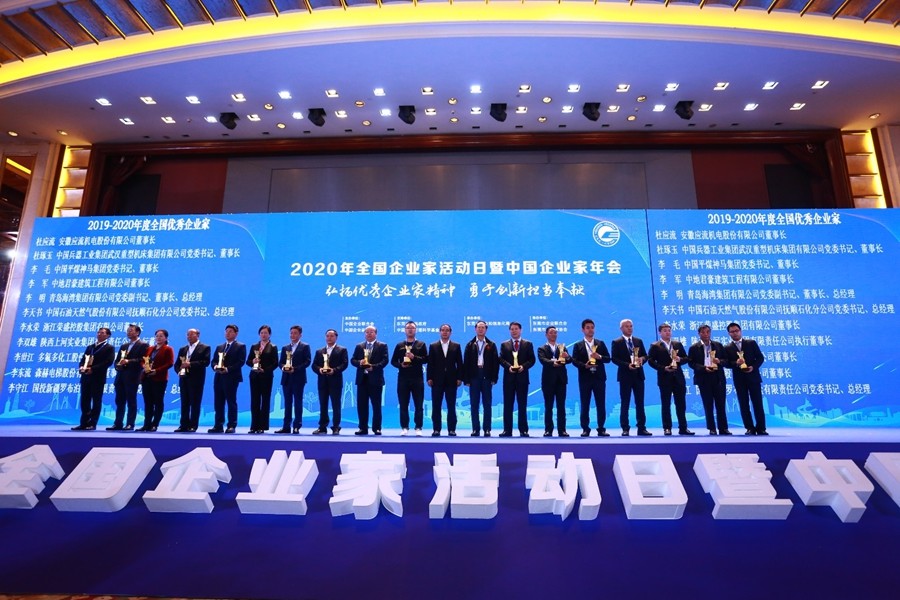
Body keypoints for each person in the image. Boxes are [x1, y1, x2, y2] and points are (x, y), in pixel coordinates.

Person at [648, 323, 694, 436]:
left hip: (678, 378)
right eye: (665, 330)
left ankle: (683, 427)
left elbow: (686, 358)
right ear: (660, 332)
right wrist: (663, 368)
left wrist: (679, 359)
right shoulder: (655, 346)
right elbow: (651, 361)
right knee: (666, 404)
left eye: (669, 330)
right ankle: (667, 428)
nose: (667, 332)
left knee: (681, 404)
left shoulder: (677, 344)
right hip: (664, 377)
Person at [725, 322, 767, 436]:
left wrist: (753, 367)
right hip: (739, 380)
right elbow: (726, 363)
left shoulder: (751, 343)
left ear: (741, 331)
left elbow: (760, 358)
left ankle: (761, 428)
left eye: (736, 331)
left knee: (758, 403)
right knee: (743, 404)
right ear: (729, 334)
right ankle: (749, 428)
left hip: (753, 377)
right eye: (732, 332)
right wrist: (736, 363)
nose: (735, 333)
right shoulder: (727, 347)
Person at [571, 318, 611, 437]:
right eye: (587, 328)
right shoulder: (578, 345)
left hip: (599, 377)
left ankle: (601, 428)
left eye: (592, 327)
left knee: (601, 403)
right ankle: (585, 428)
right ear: (583, 330)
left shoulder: (600, 343)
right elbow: (574, 361)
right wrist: (584, 365)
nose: (590, 330)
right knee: (585, 404)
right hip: (585, 378)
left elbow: (608, 359)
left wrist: (599, 357)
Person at [688, 324, 731, 435]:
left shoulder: (718, 345)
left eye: (707, 332)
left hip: (718, 378)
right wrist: (703, 368)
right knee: (708, 404)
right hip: (703, 378)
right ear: (699, 334)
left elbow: (726, 361)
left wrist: (719, 361)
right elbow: (691, 363)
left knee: (721, 404)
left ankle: (723, 428)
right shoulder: (694, 348)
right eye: (703, 332)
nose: (705, 334)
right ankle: (712, 428)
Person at [611, 318, 650, 436]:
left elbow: (645, 356)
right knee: (625, 402)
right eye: (626, 326)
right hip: (625, 376)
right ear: (621, 328)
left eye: (631, 326)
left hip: (638, 375)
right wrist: (627, 365)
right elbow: (614, 359)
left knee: (640, 403)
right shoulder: (616, 342)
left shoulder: (638, 341)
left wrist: (642, 359)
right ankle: (625, 428)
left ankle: (641, 428)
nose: (629, 328)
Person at [72, 327, 115, 431]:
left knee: (96, 401)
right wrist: (81, 367)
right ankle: (83, 423)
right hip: (86, 377)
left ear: (108, 335)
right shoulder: (90, 347)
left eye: (102, 333)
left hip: (98, 378)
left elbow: (108, 362)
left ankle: (92, 423)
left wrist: (93, 369)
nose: (99, 334)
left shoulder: (109, 348)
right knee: (84, 401)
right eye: (98, 332)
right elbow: (83, 359)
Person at [107, 324, 149, 431]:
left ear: (137, 332)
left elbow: (142, 360)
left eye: (131, 330)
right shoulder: (124, 346)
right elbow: (117, 360)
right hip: (120, 377)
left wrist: (128, 361)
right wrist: (118, 365)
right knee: (119, 401)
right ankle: (118, 423)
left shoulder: (143, 345)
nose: (128, 332)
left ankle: (130, 423)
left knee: (131, 401)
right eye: (128, 330)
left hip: (132, 377)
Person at [390, 321, 428, 436]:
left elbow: (426, 359)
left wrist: (414, 357)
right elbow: (393, 361)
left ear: (415, 330)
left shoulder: (421, 344)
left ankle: (418, 427)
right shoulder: (399, 345)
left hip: (417, 378)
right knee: (403, 404)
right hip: (403, 378)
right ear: (405, 330)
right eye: (408, 328)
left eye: (412, 328)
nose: (410, 330)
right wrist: (400, 365)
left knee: (418, 404)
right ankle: (404, 427)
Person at [462, 320, 499, 437]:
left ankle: (487, 429)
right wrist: (466, 379)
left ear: (486, 329)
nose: (481, 329)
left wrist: (494, 378)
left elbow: (495, 363)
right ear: (475, 329)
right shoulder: (470, 344)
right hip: (474, 376)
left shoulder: (491, 344)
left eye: (483, 327)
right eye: (479, 327)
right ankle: (475, 429)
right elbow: (466, 363)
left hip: (487, 376)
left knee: (487, 404)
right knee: (474, 404)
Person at [498, 321, 535, 437]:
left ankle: (523, 430)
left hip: (522, 379)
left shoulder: (527, 344)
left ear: (521, 330)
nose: (514, 331)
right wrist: (509, 367)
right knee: (508, 405)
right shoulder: (504, 344)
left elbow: (532, 360)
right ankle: (507, 430)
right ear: (509, 331)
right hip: (508, 379)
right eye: (512, 329)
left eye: (516, 329)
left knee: (522, 405)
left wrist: (523, 367)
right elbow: (501, 359)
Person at [426, 324, 464, 437]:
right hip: (436, 380)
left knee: (451, 406)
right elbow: (430, 363)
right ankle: (436, 429)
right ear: (439, 332)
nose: (445, 332)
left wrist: (460, 378)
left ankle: (451, 429)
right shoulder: (433, 346)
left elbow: (460, 364)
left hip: (452, 380)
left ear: (450, 332)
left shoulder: (456, 346)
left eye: (447, 330)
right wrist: (429, 377)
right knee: (436, 406)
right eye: (443, 330)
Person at [351, 325, 389, 435]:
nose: (369, 334)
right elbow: (353, 360)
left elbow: (385, 361)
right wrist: (360, 363)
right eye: (367, 332)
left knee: (376, 405)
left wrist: (373, 367)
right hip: (362, 380)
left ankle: (377, 428)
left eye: (371, 332)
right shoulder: (359, 346)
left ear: (376, 334)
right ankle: (363, 428)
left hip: (376, 380)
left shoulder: (382, 346)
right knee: (362, 405)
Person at [208, 324, 246, 434]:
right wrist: (216, 367)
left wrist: (228, 369)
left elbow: (240, 362)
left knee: (231, 402)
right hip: (219, 377)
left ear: (236, 334)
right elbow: (213, 361)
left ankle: (231, 425)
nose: (228, 333)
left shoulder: (240, 346)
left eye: (230, 331)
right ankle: (218, 425)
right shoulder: (220, 347)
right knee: (218, 402)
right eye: (226, 331)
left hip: (231, 378)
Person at [173, 328, 210, 433]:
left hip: (196, 380)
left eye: (191, 334)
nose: (189, 336)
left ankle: (193, 425)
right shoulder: (183, 349)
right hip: (184, 379)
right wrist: (179, 372)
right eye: (187, 334)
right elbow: (177, 364)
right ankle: (183, 425)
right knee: (184, 402)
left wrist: (190, 364)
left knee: (195, 403)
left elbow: (205, 362)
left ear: (197, 335)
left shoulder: (205, 348)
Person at [275, 325, 311, 434]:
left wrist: (295, 369)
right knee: (287, 403)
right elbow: (280, 362)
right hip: (286, 378)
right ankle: (286, 426)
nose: (293, 335)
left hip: (298, 378)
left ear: (300, 335)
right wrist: (284, 368)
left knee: (298, 402)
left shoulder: (305, 346)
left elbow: (307, 361)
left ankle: (297, 426)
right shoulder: (285, 347)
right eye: (291, 333)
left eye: (295, 333)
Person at [137, 329, 175, 432]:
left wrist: (157, 370)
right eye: (157, 336)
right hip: (147, 378)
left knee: (158, 401)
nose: (158, 338)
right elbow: (143, 360)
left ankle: (155, 424)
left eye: (161, 336)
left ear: (166, 338)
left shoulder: (168, 349)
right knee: (148, 402)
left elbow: (170, 363)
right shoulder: (150, 348)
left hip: (159, 378)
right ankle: (146, 424)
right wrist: (144, 366)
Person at [312, 328, 348, 434]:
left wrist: (334, 370)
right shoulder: (319, 351)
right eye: (327, 336)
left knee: (336, 404)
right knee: (323, 404)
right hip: (322, 381)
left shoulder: (342, 350)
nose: (329, 338)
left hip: (335, 381)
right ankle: (322, 426)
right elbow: (314, 365)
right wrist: (319, 370)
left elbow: (344, 364)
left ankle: (336, 426)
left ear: (336, 337)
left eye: (332, 336)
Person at [246, 324, 278, 434]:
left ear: (269, 334)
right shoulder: (254, 346)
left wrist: (264, 370)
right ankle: (254, 426)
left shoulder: (273, 347)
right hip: (254, 376)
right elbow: (247, 361)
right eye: (262, 333)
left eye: (266, 333)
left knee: (265, 401)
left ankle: (262, 426)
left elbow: (275, 363)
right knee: (254, 400)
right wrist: (253, 362)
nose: (263, 335)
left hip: (266, 377)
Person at [537, 325, 569, 437]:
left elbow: (569, 360)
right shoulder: (542, 348)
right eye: (551, 332)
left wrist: (567, 356)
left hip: (561, 380)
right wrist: (553, 363)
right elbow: (542, 360)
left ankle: (562, 430)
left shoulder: (562, 347)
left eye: (555, 332)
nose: (553, 334)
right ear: (546, 335)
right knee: (548, 406)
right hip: (548, 381)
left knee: (561, 406)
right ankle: (548, 430)